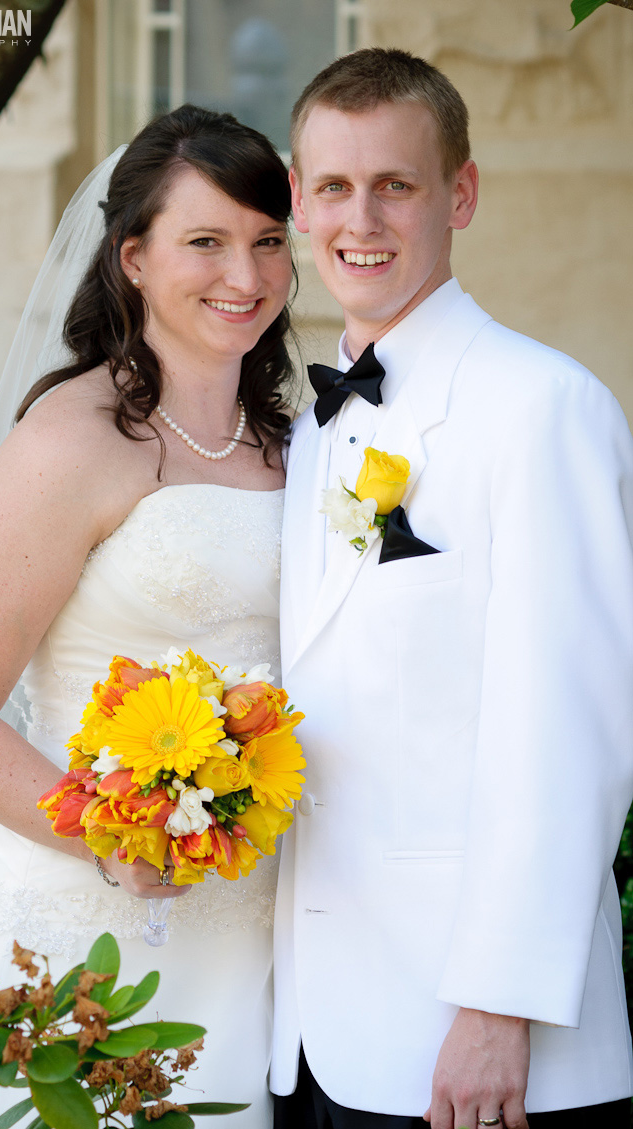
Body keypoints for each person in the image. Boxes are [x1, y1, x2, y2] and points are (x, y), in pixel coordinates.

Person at [0, 103, 296, 1128]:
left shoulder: (305, 440)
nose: (244, 277)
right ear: (133, 259)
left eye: (268, 242)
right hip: (84, 927)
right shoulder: (71, 440)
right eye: (204, 242)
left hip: (266, 932)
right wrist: (114, 838)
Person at [271, 47, 633, 1129]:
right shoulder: (304, 434)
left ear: (460, 195)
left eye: (398, 184)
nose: (361, 219)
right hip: (310, 1035)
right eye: (333, 186)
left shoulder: (543, 407)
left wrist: (496, 1005)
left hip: (475, 1049)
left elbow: (575, 732)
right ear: (296, 202)